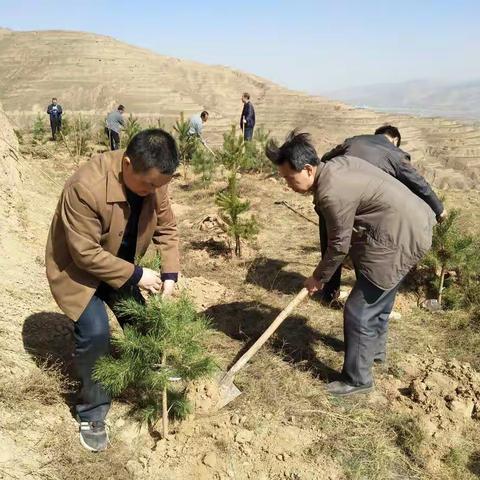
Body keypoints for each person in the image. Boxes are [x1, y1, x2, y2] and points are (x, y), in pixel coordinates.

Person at [266, 131, 435, 397]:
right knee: (379, 300)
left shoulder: (332, 192)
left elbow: (338, 246)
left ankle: (357, 381)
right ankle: (374, 353)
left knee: (359, 310)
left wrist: (317, 278)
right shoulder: (335, 167)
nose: (287, 184)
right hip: (412, 224)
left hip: (400, 236)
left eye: (289, 177)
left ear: (308, 170)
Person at [45, 129, 180, 452]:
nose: (153, 192)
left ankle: (151, 369)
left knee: (142, 320)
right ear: (128, 163)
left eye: (159, 186)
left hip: (121, 264)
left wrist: (170, 274)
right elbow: (85, 254)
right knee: (95, 334)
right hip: (79, 271)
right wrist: (136, 275)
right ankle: (92, 411)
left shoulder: (154, 181)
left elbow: (167, 227)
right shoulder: (85, 187)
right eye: (148, 184)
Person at [318, 125, 446, 303]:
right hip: (362, 211)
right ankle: (361, 298)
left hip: (333, 198)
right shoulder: (395, 153)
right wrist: (439, 209)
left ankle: (329, 294)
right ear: (394, 139)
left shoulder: (354, 141)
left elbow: (325, 159)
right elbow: (418, 183)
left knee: (332, 245)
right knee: (363, 252)